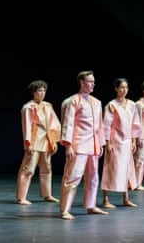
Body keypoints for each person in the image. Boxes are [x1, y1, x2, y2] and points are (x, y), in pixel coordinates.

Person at [58, 70, 108, 220]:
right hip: (78, 145)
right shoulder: (72, 101)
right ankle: (65, 209)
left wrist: (101, 144)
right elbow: (68, 124)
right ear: (82, 82)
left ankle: (91, 206)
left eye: (93, 81)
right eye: (90, 81)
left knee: (93, 177)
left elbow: (100, 126)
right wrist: (68, 146)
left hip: (93, 145)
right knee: (73, 177)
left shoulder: (97, 102)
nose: (93, 84)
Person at [15, 80, 61, 205]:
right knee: (28, 168)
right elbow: (27, 126)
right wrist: (27, 143)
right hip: (35, 140)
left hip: (46, 140)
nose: (42, 93)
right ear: (34, 92)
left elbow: (54, 123)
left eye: (44, 90)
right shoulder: (28, 107)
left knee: (47, 168)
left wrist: (54, 141)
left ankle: (47, 194)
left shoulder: (48, 106)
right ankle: (21, 197)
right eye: (39, 90)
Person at [101, 78, 141, 208]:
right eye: (121, 87)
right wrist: (108, 142)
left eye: (126, 87)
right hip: (115, 141)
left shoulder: (132, 104)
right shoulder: (111, 105)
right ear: (116, 89)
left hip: (127, 141)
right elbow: (106, 125)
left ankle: (126, 198)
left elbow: (135, 124)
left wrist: (134, 140)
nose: (124, 90)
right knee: (110, 168)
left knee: (127, 169)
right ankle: (105, 199)